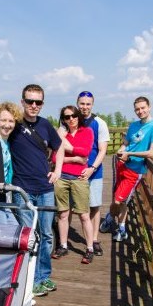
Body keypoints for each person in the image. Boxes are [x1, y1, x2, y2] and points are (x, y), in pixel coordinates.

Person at [0, 84, 65, 297]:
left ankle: (43, 277)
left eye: (38, 102)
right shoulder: (14, 123)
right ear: (22, 101)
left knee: (46, 235)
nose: (34, 105)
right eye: (30, 101)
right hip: (22, 190)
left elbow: (59, 146)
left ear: (42, 104)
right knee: (28, 235)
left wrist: (58, 171)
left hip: (45, 189)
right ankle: (29, 278)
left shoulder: (45, 125)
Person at [99, 96, 153, 242]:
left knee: (120, 200)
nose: (140, 111)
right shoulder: (133, 125)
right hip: (122, 164)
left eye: (142, 108)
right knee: (119, 199)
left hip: (135, 170)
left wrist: (129, 153)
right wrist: (121, 151)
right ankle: (115, 223)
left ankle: (118, 226)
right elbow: (126, 143)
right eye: (137, 109)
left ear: (149, 107)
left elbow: (152, 153)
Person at [51, 105, 95, 264]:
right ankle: (63, 245)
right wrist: (75, 159)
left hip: (79, 178)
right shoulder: (62, 134)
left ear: (78, 116)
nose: (71, 119)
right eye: (67, 117)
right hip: (62, 177)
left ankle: (89, 248)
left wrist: (64, 143)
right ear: (63, 120)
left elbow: (85, 152)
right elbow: (55, 159)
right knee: (63, 213)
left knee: (84, 214)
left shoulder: (87, 132)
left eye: (74, 115)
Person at [75, 91, 110, 256]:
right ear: (77, 103)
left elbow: (103, 150)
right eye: (82, 103)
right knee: (74, 208)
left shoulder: (99, 123)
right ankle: (64, 241)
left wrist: (92, 168)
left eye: (88, 104)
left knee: (94, 206)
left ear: (92, 105)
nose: (85, 107)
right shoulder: (70, 120)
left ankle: (94, 239)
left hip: (94, 171)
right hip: (74, 171)